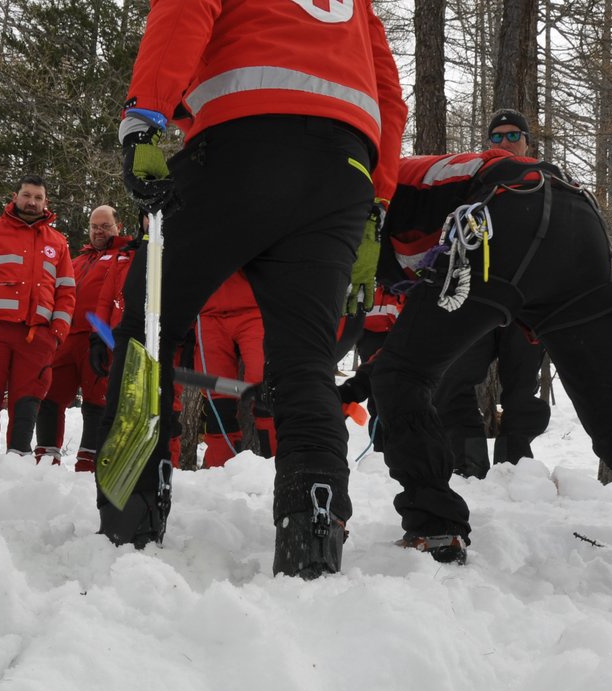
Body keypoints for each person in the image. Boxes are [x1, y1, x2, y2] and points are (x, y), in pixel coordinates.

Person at [108, 0, 406, 576]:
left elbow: (183, 12)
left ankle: (131, 507)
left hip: (241, 145)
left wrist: (144, 119)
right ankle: (312, 522)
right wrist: (378, 202)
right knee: (306, 361)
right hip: (344, 172)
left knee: (149, 323)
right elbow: (390, 94)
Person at [368, 145, 612, 624]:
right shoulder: (417, 190)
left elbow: (406, 341)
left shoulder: (377, 185)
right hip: (577, 222)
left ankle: (434, 525)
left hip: (508, 215)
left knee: (401, 374)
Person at [426, 109, 553, 480]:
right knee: (454, 378)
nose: (504, 142)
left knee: (521, 391)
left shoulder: (547, 180)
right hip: (477, 301)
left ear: (528, 141)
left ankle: (514, 467)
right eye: (495, 137)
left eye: (513, 135)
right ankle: (466, 463)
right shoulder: (474, 179)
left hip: (526, 307)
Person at [0, 176, 75, 456]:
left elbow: (66, 291)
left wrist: (57, 333)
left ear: (46, 202)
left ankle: (17, 461)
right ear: (15, 196)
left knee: (27, 402)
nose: (31, 202)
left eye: (38, 197)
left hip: (36, 337)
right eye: (26, 195)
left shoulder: (57, 242)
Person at [36, 203, 135, 470]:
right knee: (50, 397)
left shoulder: (127, 257)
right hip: (66, 338)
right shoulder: (77, 261)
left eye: (105, 226)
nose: (99, 231)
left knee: (97, 401)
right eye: (94, 226)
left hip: (100, 340)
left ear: (119, 226)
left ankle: (90, 463)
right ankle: (45, 459)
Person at [191, 269, 272, 465]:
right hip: (209, 313)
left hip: (255, 307)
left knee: (266, 390)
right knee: (217, 401)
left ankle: (281, 464)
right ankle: (220, 471)